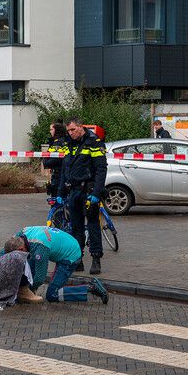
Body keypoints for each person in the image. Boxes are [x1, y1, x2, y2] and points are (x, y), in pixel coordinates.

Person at [3, 226, 108, 304]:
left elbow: (40, 277)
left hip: (70, 256)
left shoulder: (40, 249)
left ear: (21, 249)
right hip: (66, 243)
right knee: (30, 268)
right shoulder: (19, 236)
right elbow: (3, 252)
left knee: (52, 295)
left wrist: (26, 292)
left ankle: (91, 287)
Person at [57, 117, 107, 275]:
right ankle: (78, 260)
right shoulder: (68, 143)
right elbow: (65, 169)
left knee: (92, 225)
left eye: (73, 130)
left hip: (89, 191)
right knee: (76, 227)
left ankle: (96, 259)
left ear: (81, 127)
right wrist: (60, 192)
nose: (70, 133)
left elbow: (101, 169)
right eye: (68, 131)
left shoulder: (94, 142)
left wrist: (96, 193)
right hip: (74, 191)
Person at [43, 121, 68, 197]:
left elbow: (55, 159)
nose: (50, 131)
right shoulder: (63, 140)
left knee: (56, 195)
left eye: (51, 129)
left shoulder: (58, 143)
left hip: (58, 173)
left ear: (56, 130)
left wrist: (46, 162)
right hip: (60, 172)